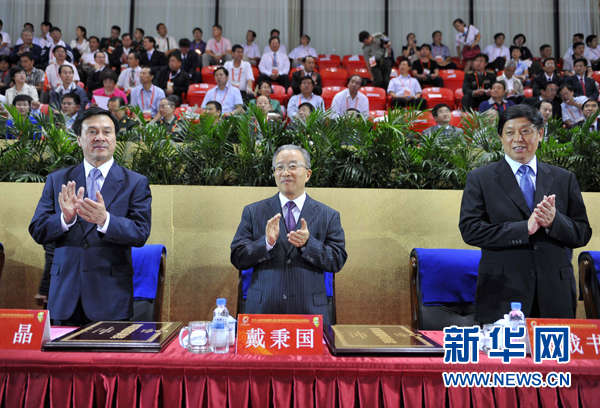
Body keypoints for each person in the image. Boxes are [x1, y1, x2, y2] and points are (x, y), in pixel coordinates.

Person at [459, 104, 591, 324]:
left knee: (553, 348)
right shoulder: (481, 178)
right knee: (504, 349)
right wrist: (523, 229)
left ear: (540, 134)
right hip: (502, 293)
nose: (518, 139)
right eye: (510, 132)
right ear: (501, 137)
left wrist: (554, 221)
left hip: (555, 295)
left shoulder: (563, 178)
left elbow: (582, 233)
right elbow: (470, 230)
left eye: (526, 131)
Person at [29, 107, 152, 325]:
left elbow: (140, 233)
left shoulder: (135, 183)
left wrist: (105, 220)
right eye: (92, 131)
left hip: (110, 298)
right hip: (64, 298)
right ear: (79, 139)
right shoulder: (58, 180)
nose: (100, 137)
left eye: (107, 132)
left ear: (115, 138)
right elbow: (38, 229)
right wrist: (64, 219)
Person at [230, 144, 347, 326]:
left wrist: (308, 243)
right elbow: (238, 257)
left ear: (308, 174)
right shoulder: (253, 212)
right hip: (263, 310)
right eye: (280, 167)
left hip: (310, 314)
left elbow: (337, 260)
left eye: (292, 166)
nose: (285, 173)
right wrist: (266, 243)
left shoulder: (328, 215)